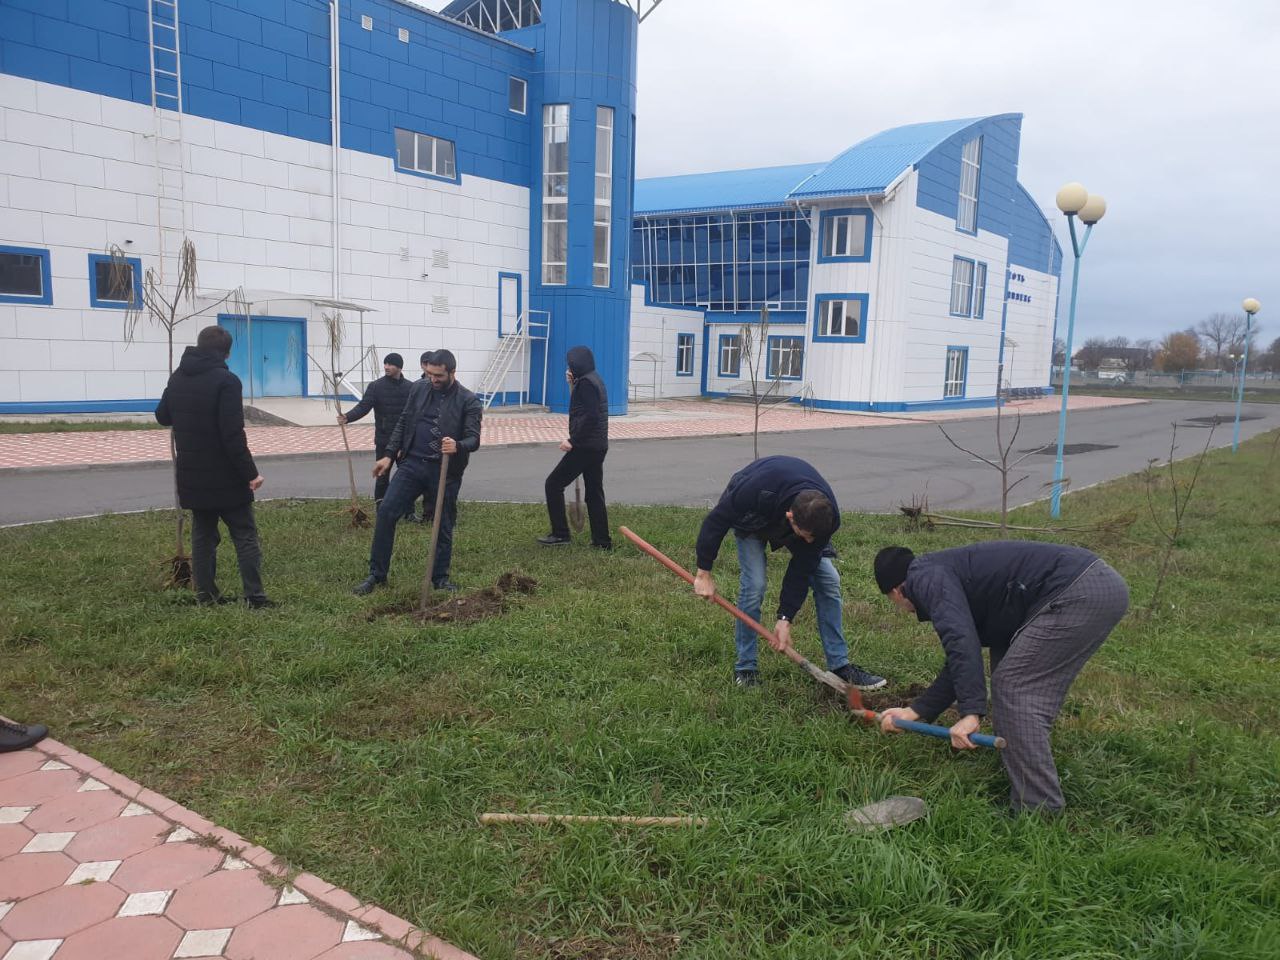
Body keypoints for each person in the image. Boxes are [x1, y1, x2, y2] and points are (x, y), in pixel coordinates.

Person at [872, 541, 1129, 814]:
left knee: (1014, 687)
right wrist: (916, 711)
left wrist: (971, 712)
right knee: (1006, 670)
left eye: (894, 603)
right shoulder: (942, 573)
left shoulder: (923, 578)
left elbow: (960, 640)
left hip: (1078, 591)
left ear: (897, 591)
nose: (903, 610)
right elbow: (961, 655)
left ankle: (1038, 811)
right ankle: (1022, 764)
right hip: (1087, 582)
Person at [693, 455, 887, 690]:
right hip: (753, 515)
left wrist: (785, 618)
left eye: (812, 538)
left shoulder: (826, 516)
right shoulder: (753, 489)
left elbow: (802, 568)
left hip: (796, 516)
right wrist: (704, 573)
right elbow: (716, 521)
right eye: (804, 536)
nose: (808, 541)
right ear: (790, 517)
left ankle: (840, 666)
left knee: (829, 581)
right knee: (754, 585)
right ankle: (746, 667)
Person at [156, 325, 273, 608]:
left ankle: (205, 596)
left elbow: (162, 416)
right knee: (244, 535)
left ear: (198, 345)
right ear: (227, 352)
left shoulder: (178, 377)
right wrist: (251, 473)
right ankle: (254, 597)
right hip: (226, 477)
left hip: (192, 475)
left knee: (203, 537)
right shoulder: (227, 381)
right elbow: (232, 434)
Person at [353, 349, 482, 595]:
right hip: (412, 464)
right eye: (429, 374)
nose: (432, 380)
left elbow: (473, 439)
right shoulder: (419, 389)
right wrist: (389, 455)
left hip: (444, 470)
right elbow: (404, 420)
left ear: (452, 372)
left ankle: (440, 579)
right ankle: (376, 575)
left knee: (442, 524)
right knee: (387, 512)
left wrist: (458, 445)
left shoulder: (468, 400)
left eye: (438, 376)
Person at [538, 345, 612, 550]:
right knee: (594, 493)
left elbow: (591, 416)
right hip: (598, 446)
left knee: (553, 484)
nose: (568, 368)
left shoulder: (586, 384)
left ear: (576, 364)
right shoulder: (593, 379)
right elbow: (586, 410)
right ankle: (602, 541)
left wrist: (573, 440)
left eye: (570, 365)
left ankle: (561, 534)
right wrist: (574, 382)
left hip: (585, 447)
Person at [337, 352, 410, 511]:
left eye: (390, 364)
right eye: (385, 364)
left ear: (399, 367)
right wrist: (347, 417)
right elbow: (363, 407)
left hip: (405, 443)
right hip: (384, 440)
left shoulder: (410, 388)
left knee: (407, 478)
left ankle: (408, 511)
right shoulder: (376, 386)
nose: (386, 367)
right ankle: (381, 509)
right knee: (382, 476)